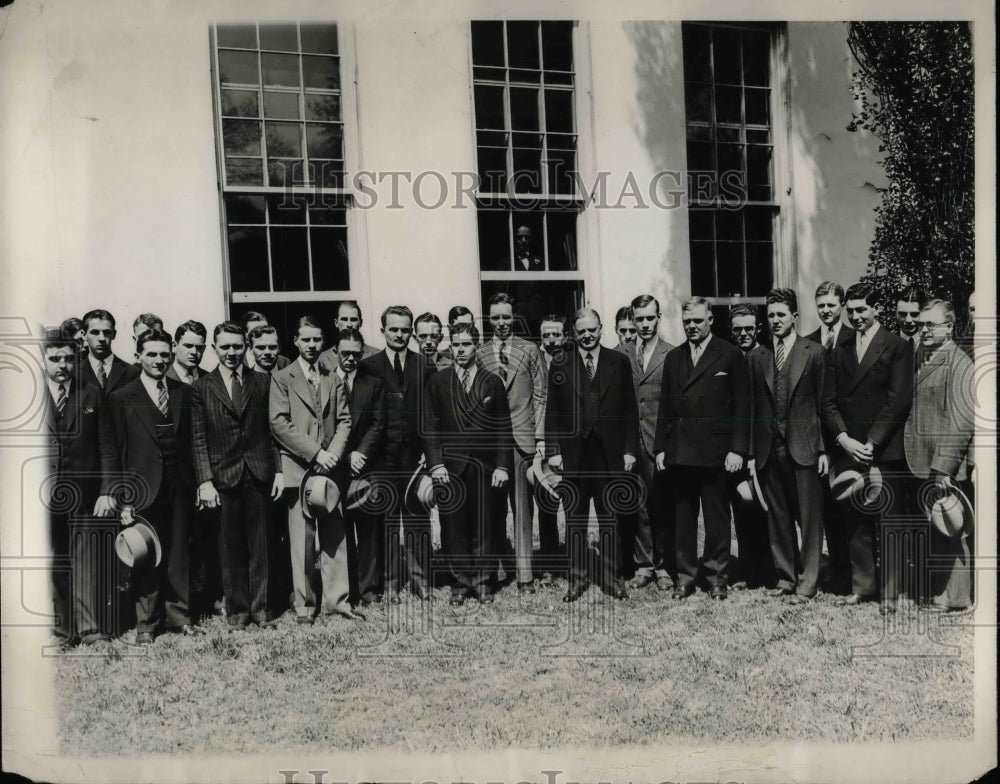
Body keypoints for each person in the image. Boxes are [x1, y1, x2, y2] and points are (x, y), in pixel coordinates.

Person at [108, 328, 202, 644]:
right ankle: (147, 624)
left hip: (179, 487)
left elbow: (192, 442)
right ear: (138, 356)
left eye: (164, 354)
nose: (159, 360)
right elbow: (115, 452)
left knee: (178, 553)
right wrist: (123, 499)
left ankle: (180, 617)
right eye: (151, 354)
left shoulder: (183, 392)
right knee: (146, 555)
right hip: (142, 490)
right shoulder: (122, 397)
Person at [825, 282, 913, 615]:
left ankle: (890, 593)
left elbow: (898, 401)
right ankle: (863, 586)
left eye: (863, 310)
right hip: (849, 449)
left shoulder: (896, 346)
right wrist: (844, 439)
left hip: (883, 448)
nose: (856, 316)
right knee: (855, 519)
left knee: (889, 520)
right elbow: (828, 401)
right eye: (851, 311)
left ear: (877, 308)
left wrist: (871, 443)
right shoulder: (841, 347)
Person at [654, 296, 750, 601]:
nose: (692, 326)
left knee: (717, 520)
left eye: (697, 320)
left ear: (711, 320)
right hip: (681, 453)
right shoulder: (675, 357)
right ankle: (685, 577)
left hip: (716, 453)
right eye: (687, 321)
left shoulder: (730, 354)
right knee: (683, 519)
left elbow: (743, 408)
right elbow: (666, 409)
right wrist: (660, 448)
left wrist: (737, 449)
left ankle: (716, 577)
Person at [191, 322, 282, 630]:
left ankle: (263, 610)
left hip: (259, 472)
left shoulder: (263, 382)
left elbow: (273, 434)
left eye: (237, 346)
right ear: (215, 348)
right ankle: (238, 613)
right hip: (223, 476)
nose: (232, 352)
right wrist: (205, 481)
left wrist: (279, 471)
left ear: (247, 347)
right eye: (225, 347)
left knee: (262, 546)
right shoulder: (202, 387)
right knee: (229, 548)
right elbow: (198, 437)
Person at [545, 307, 639, 603]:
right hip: (574, 455)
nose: (587, 335)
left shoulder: (619, 362)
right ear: (574, 333)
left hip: (609, 454)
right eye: (581, 331)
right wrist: (553, 452)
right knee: (575, 520)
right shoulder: (560, 363)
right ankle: (577, 579)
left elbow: (629, 410)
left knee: (609, 518)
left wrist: (629, 450)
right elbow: (553, 412)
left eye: (592, 329)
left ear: (601, 329)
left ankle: (614, 578)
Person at [747, 289, 832, 604]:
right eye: (770, 315)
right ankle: (786, 576)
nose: (775, 320)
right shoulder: (759, 357)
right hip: (770, 449)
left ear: (795, 316)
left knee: (809, 518)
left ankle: (808, 581)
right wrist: (752, 453)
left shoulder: (814, 352)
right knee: (778, 516)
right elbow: (754, 408)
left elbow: (825, 404)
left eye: (781, 314)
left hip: (805, 447)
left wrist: (823, 449)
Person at [269, 316, 352, 623]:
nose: (312, 345)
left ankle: (337, 602)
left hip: (330, 469)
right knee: (302, 542)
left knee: (335, 538)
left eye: (317, 340)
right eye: (306, 340)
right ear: (296, 342)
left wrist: (332, 454)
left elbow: (344, 420)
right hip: (299, 468)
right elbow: (279, 424)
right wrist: (315, 452)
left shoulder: (333, 376)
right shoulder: (282, 378)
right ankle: (305, 607)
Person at [426, 321, 513, 604]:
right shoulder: (439, 381)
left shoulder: (493, 381)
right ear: (450, 346)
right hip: (450, 467)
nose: (461, 350)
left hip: (485, 467)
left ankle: (484, 580)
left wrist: (502, 465)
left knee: (485, 523)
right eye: (456, 344)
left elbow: (503, 428)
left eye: (466, 344)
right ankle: (460, 582)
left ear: (477, 346)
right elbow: (431, 426)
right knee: (453, 525)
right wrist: (436, 464)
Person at [42, 331, 117, 647]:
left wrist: (107, 489)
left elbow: (107, 446)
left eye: (69, 359)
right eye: (55, 358)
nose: (63, 365)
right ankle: (63, 630)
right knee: (56, 560)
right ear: (43, 359)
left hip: (84, 494)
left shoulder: (91, 394)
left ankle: (89, 630)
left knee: (86, 561)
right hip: (43, 495)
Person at [360, 306, 438, 601]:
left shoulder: (424, 366)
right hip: (382, 459)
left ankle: (422, 583)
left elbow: (431, 416)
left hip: (415, 460)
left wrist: (429, 457)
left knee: (418, 521)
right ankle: (390, 584)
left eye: (405, 330)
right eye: (394, 329)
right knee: (388, 523)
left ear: (412, 333)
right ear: (382, 331)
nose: (400, 335)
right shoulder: (370, 365)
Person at [903, 299, 975, 611]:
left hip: (942, 465)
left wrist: (944, 467)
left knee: (951, 529)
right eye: (921, 325)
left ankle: (955, 598)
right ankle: (941, 592)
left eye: (931, 325)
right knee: (937, 527)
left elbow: (960, 420)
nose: (923, 330)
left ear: (949, 326)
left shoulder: (959, 363)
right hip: (924, 461)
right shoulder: (925, 356)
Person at [480, 293, 546, 592]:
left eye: (507, 317)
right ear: (488, 319)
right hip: (491, 444)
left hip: (522, 439)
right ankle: (491, 572)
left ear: (514, 318)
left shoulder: (529, 350)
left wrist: (540, 438)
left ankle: (524, 576)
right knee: (492, 510)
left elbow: (541, 396)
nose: (502, 323)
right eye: (496, 318)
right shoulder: (479, 353)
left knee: (522, 510)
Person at [804, 282, 854, 594]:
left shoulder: (853, 339)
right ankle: (835, 571)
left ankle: (854, 574)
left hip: (847, 437)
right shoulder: (808, 343)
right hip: (816, 442)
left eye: (831, 305)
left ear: (842, 305)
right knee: (825, 513)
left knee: (850, 508)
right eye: (820, 305)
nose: (825, 311)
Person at [331, 327, 386, 607]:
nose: (350, 359)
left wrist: (360, 453)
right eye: (345, 354)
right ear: (335, 352)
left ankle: (368, 590)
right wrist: (344, 456)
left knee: (369, 532)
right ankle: (346, 590)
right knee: (339, 531)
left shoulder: (373, 384)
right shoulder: (325, 382)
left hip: (367, 467)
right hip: (335, 467)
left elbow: (378, 424)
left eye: (355, 354)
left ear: (362, 353)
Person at [624, 294, 675, 591]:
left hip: (660, 443)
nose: (644, 324)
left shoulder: (672, 354)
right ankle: (644, 565)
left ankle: (665, 566)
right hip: (632, 443)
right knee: (639, 504)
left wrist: (667, 445)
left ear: (659, 317)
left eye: (649, 318)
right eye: (639, 318)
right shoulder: (622, 354)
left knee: (663, 505)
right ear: (632, 320)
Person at [727, 304, 774, 590]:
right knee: (741, 511)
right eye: (737, 329)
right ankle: (746, 570)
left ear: (758, 328)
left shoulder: (766, 357)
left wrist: (754, 454)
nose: (743, 333)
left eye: (748, 328)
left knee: (765, 511)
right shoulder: (730, 357)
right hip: (733, 451)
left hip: (760, 450)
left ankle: (770, 572)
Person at [535, 314, 569, 584]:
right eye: (546, 335)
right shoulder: (534, 362)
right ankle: (549, 564)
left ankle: (572, 559)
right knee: (546, 504)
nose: (551, 340)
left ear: (565, 336)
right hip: (540, 443)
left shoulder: (573, 361)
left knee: (572, 503)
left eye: (556, 334)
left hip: (567, 442)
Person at [78, 309, 140, 395]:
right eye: (95, 332)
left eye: (106, 332)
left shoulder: (132, 373)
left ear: (114, 334)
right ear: (84, 334)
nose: (102, 338)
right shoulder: (75, 372)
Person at [318, 300, 380, 372]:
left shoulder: (378, 355)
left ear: (361, 323)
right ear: (336, 323)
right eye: (344, 319)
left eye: (353, 319)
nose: (349, 325)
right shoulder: (323, 358)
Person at [894, 285, 926, 371]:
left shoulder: (935, 345)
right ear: (895, 313)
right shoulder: (883, 344)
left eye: (914, 314)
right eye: (902, 314)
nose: (908, 320)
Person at [167, 320, 208, 385]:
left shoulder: (210, 379)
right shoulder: (163, 377)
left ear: (204, 348)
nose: (194, 352)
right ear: (174, 346)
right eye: (188, 346)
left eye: (199, 347)